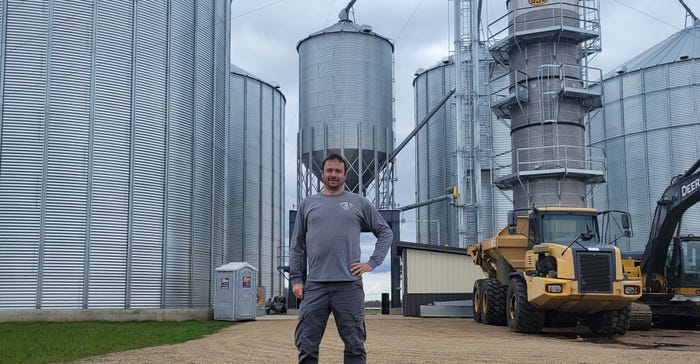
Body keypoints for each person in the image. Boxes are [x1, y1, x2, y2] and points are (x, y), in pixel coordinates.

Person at [289, 153, 394, 364]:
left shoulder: (359, 203)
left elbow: (386, 232)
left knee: (355, 346)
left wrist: (372, 263)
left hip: (348, 287)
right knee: (307, 346)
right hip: (315, 286)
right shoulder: (308, 204)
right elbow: (297, 246)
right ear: (322, 174)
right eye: (329, 171)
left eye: (338, 171)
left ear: (345, 175)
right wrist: (296, 279)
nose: (333, 175)